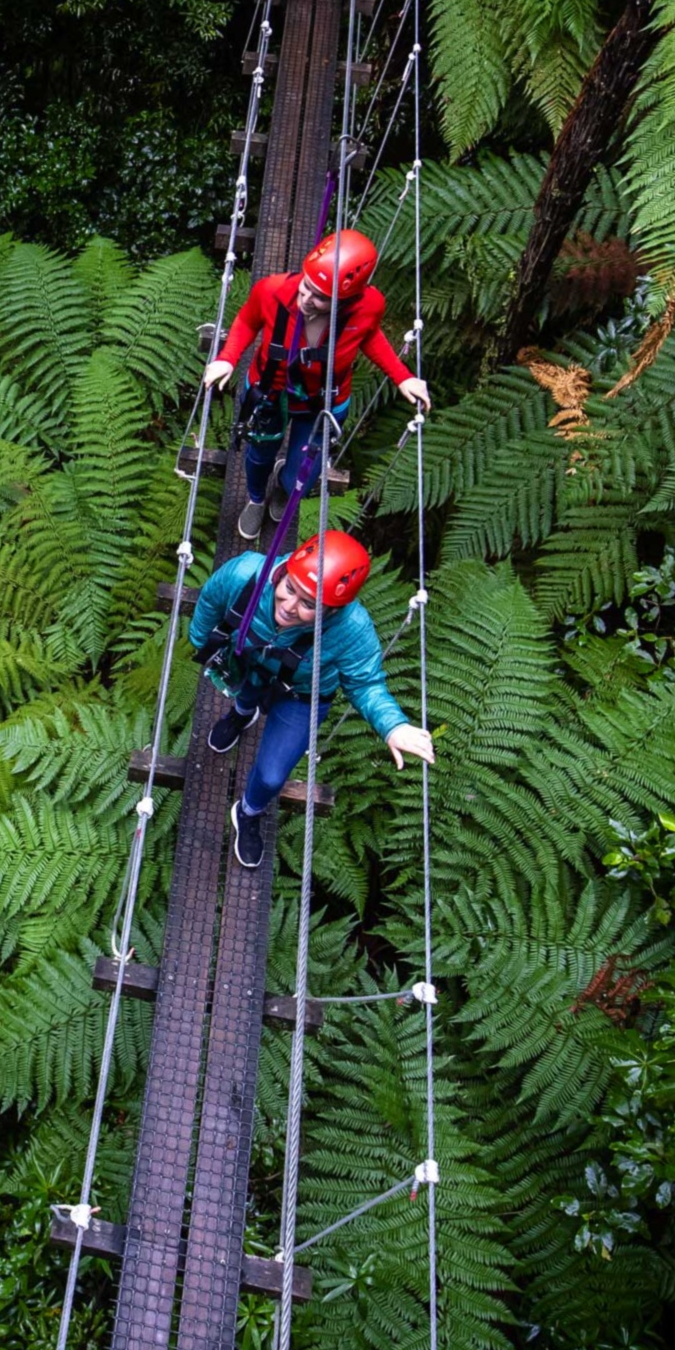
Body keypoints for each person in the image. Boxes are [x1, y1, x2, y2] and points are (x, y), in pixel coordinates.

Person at [188, 530, 437, 870]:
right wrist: (204, 644)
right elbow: (210, 603)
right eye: (290, 588)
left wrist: (392, 726)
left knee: (273, 776)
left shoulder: (352, 629)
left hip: (302, 694)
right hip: (248, 660)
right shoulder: (245, 575)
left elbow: (365, 683)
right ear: (285, 571)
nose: (288, 607)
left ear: (333, 609)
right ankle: (241, 715)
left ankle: (248, 812)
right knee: (245, 693)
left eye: (308, 604)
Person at [203, 229, 432, 537]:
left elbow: (369, 335)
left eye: (320, 298)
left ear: (348, 299)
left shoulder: (369, 306)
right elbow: (247, 320)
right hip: (270, 391)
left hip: (324, 400)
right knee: (258, 455)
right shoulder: (271, 291)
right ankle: (256, 500)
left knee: (305, 473)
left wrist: (402, 376)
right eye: (305, 288)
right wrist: (227, 358)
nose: (306, 300)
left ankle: (285, 487)